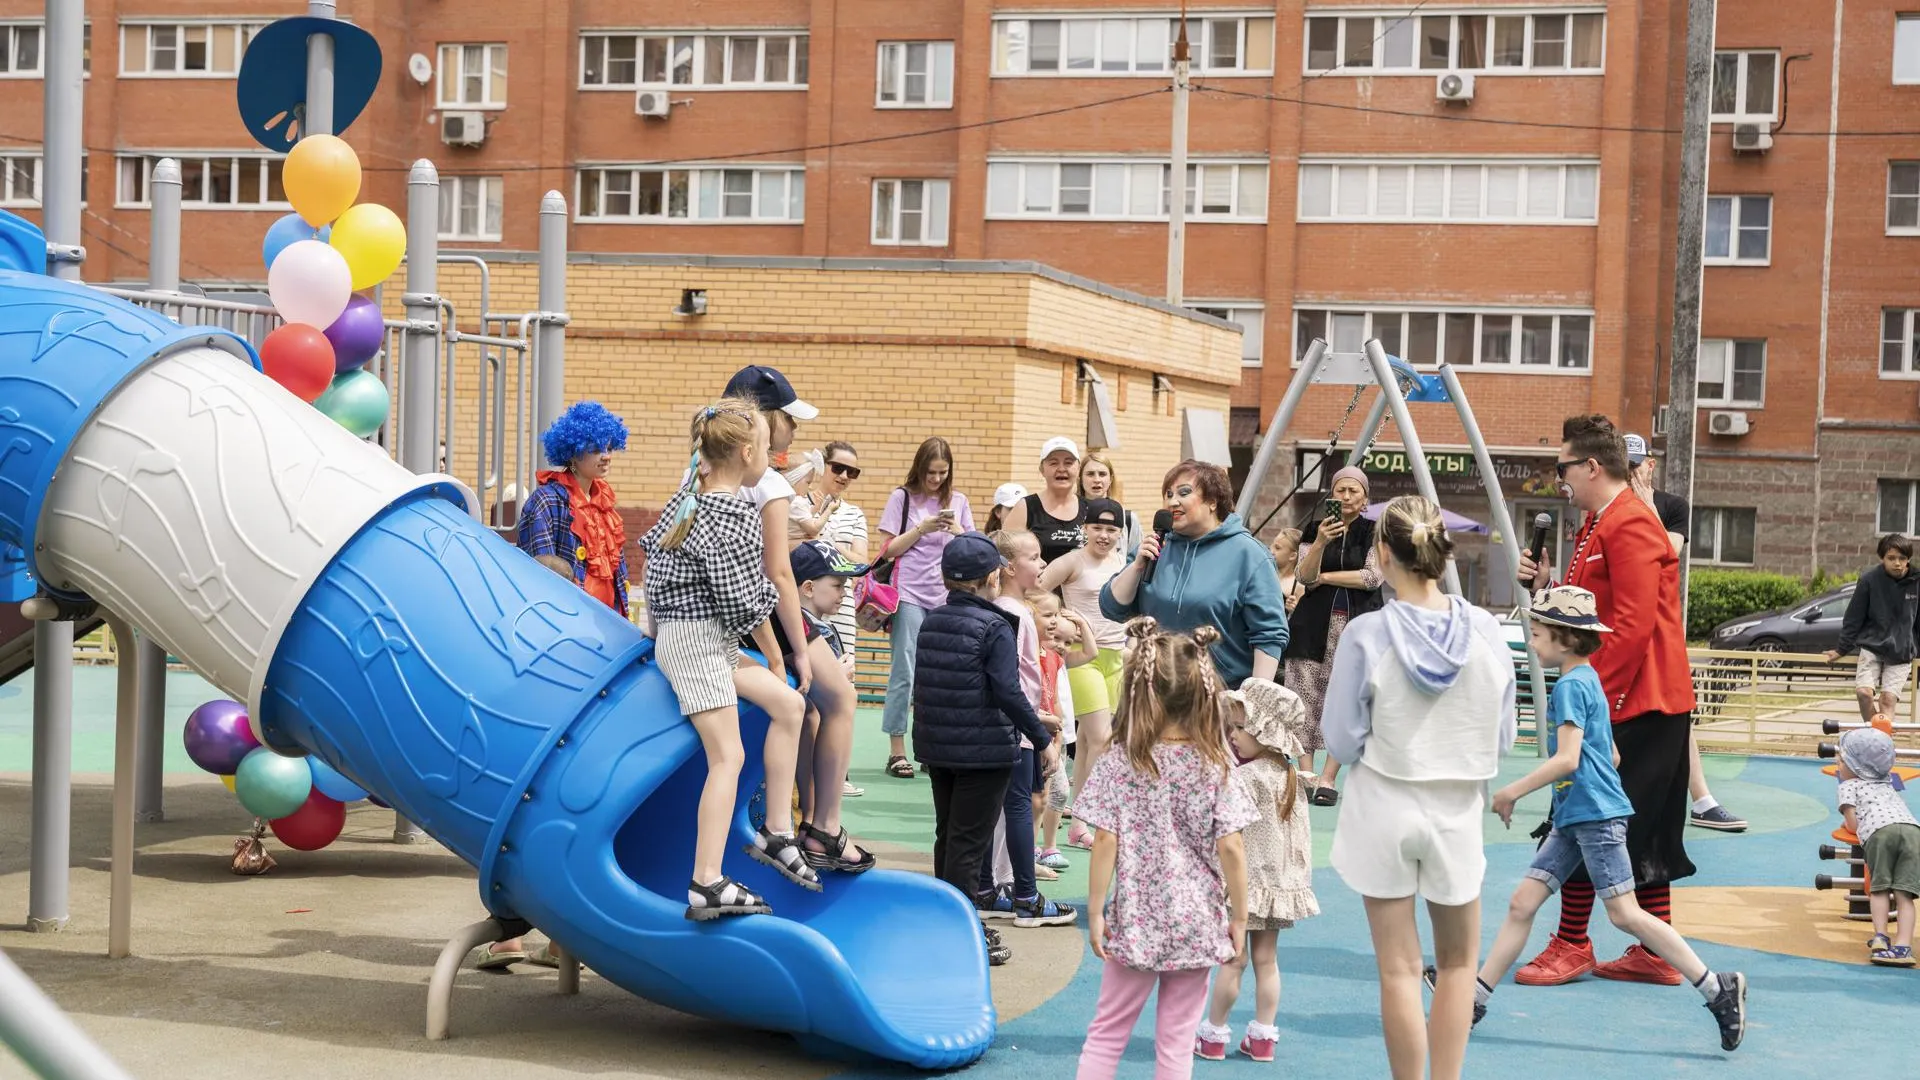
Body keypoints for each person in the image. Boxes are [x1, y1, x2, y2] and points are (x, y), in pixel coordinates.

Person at [1466, 586, 1747, 1051]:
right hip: (1579, 818)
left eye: (1536, 634)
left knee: (1625, 915)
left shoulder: (1571, 686)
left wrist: (1512, 791)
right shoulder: (1589, 679)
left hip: (1593, 819)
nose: (1531, 643)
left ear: (1564, 639)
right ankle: (1474, 1000)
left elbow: (1569, 759)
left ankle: (1717, 989)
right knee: (1522, 903)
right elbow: (1611, 754)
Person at [1321, 495, 1516, 1080]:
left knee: (1399, 969)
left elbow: (1341, 740)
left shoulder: (1366, 633)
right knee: (1458, 965)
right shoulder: (1485, 629)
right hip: (1457, 808)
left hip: (1383, 801)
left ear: (1383, 553)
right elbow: (1502, 736)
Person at [1515, 415, 1698, 987]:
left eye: (1564, 467)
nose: (1560, 479)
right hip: (1638, 698)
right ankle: (1653, 951)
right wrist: (1545, 586)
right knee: (1638, 823)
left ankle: (1572, 942)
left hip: (1638, 700)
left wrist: (1600, 707)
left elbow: (1633, 626)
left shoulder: (1627, 524)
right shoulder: (1604, 520)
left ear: (1591, 466)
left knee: (1585, 816)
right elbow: (1595, 616)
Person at [638, 399, 818, 920]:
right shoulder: (730, 512)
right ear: (745, 452)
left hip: (699, 639)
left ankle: (778, 831)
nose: (772, 457)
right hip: (698, 645)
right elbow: (745, 600)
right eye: (766, 448)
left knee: (788, 707)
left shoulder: (688, 499)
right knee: (729, 757)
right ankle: (706, 881)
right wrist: (774, 656)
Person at [1074, 619, 1255, 1080]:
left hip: (1136, 919)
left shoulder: (1121, 762)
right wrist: (1239, 916)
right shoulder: (1216, 766)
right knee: (1176, 1042)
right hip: (1196, 922)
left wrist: (1096, 911)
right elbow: (1231, 846)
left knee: (1107, 1033)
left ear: (1140, 689)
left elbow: (1105, 840)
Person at [489, 400, 630, 968]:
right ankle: (509, 933)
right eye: (600, 447)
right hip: (559, 650)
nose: (608, 456)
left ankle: (556, 937)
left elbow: (615, 575)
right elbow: (537, 572)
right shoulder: (548, 499)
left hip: (604, 647)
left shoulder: (605, 503)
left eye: (610, 446)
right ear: (573, 449)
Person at [721, 365, 870, 875]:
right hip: (758, 611)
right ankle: (821, 825)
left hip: (718, 612)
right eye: (790, 420)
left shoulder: (704, 467)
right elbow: (778, 572)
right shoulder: (765, 481)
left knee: (808, 710)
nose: (795, 432)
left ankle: (805, 818)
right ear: (763, 421)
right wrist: (798, 650)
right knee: (840, 697)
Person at [911, 531, 1059, 967]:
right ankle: (959, 930)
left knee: (948, 835)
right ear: (992, 577)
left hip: (939, 747)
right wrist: (1043, 737)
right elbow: (1009, 693)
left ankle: (946, 918)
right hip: (984, 750)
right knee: (968, 843)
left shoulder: (933, 619)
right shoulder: (996, 626)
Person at [1626, 433, 1746, 833]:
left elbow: (1667, 550)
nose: (1630, 475)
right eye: (1622, 466)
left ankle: (1702, 799)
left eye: (1635, 465)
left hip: (1660, 626)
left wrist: (1645, 508)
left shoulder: (1671, 506)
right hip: (1624, 625)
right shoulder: (1607, 508)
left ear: (1649, 465)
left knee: (1677, 714)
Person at [1196, 678, 1319, 1065]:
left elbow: (1226, 832)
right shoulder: (1292, 778)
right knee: (1268, 962)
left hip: (1243, 887)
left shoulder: (1244, 778)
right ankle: (1263, 1037)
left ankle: (1214, 1034)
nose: (1232, 735)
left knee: (1233, 959)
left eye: (1240, 729)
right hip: (1278, 885)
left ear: (1265, 733)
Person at [1101, 460, 1290, 690]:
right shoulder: (1156, 547)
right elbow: (1111, 608)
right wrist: (1137, 566)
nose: (1172, 501)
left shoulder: (1249, 555)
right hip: (1155, 688)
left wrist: (1255, 702)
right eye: (1168, 494)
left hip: (1219, 694)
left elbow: (1269, 635)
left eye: (1184, 492)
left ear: (1212, 501)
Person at [972, 530, 1079, 929]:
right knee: (1018, 804)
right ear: (1010, 567)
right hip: (1016, 725)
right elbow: (1015, 678)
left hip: (1013, 721)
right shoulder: (1014, 614)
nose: (1042, 564)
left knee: (999, 806)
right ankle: (1026, 897)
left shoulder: (1011, 609)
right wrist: (1036, 723)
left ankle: (986, 889)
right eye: (1034, 557)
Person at [875, 437, 974, 779]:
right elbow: (886, 550)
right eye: (930, 472)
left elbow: (973, 549)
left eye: (942, 473)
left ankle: (933, 748)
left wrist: (958, 530)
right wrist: (921, 528)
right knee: (905, 669)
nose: (935, 479)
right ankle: (897, 750)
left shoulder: (958, 500)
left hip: (947, 596)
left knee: (942, 675)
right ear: (919, 469)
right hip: (908, 594)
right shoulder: (901, 497)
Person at [1285, 466, 1383, 807]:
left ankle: (1329, 776)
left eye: (1352, 491)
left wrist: (1326, 578)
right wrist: (1322, 542)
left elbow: (1372, 577)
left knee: (1344, 696)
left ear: (1365, 498)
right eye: (1339, 490)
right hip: (1312, 624)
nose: (1345, 497)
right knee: (1304, 693)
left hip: (1355, 623)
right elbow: (1303, 576)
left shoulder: (1373, 531)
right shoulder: (1315, 528)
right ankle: (1306, 773)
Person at [1041, 498, 1129, 849]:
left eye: (1111, 529)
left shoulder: (1122, 562)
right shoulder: (1072, 561)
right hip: (1083, 658)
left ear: (1120, 533)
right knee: (1101, 740)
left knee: (1094, 744)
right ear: (1085, 528)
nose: (1104, 535)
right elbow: (1034, 589)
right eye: (1097, 528)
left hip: (1116, 655)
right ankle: (1092, 816)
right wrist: (1059, 621)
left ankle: (1078, 825)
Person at [1836, 727, 1920, 967]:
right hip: (1913, 830)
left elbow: (1853, 825)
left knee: (1879, 888)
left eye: (1842, 760)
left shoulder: (1848, 786)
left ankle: (1881, 937)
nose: (1838, 765)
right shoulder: (1888, 783)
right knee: (1905, 893)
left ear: (1855, 766)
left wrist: (1848, 822)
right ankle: (1903, 946)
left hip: (1880, 833)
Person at [1028, 589, 1095, 873]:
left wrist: (1081, 622)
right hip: (1040, 733)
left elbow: (1091, 651)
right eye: (1055, 637)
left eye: (1068, 641)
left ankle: (1050, 846)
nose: (1061, 645)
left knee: (1059, 793)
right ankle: (1029, 847)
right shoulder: (1034, 655)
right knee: (1037, 795)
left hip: (1060, 735)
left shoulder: (1060, 660)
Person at [1824, 534, 1920, 724]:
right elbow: (1853, 617)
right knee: (1864, 693)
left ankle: (1880, 742)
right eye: (1891, 558)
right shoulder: (1869, 580)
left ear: (1908, 558)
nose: (1897, 563)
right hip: (1872, 647)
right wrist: (1841, 649)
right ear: (1882, 558)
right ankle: (1878, 736)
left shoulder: (1917, 582)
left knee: (1887, 700)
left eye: (1902, 558)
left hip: (1902, 651)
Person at [1004, 436, 1086, 565]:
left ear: (1079, 468)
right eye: (1054, 463)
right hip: (1037, 584)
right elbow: (1005, 556)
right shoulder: (1025, 508)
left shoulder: (1089, 508)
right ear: (1042, 469)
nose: (1061, 468)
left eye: (1068, 462)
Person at [1079, 449, 1144, 555]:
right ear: (1081, 478)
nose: (1097, 479)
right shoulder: (1070, 515)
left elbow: (1136, 559)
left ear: (1110, 479)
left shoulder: (1127, 519)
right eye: (1090, 474)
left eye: (1102, 474)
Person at [1268, 528, 1305, 617]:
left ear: (1292, 556)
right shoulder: (1267, 575)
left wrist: (1294, 611)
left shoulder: (1298, 585)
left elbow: (1303, 617)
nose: (1271, 550)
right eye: (1272, 545)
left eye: (1277, 548)